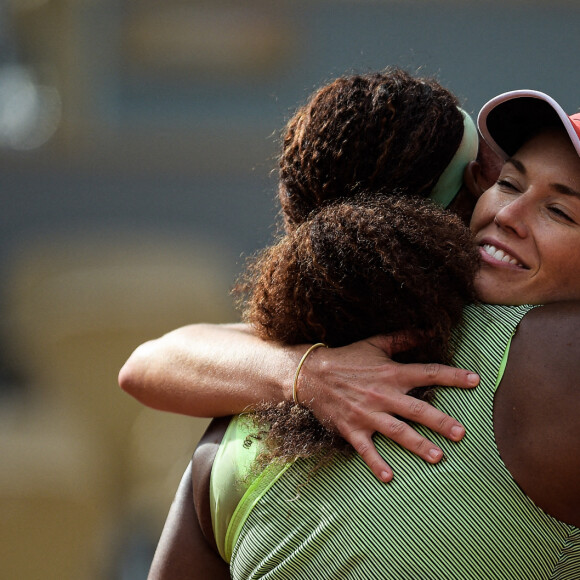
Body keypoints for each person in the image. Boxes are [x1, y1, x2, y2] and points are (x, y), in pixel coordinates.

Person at [147, 88, 580, 578]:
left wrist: (302, 373)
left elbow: (153, 359)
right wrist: (306, 375)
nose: (506, 214)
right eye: (507, 183)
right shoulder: (555, 363)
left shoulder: (238, 429)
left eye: (560, 211)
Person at [120, 68, 497, 483]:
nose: (501, 192)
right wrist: (310, 375)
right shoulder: (511, 329)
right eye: (487, 175)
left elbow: (145, 363)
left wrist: (306, 373)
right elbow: (146, 365)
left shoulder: (326, 334)